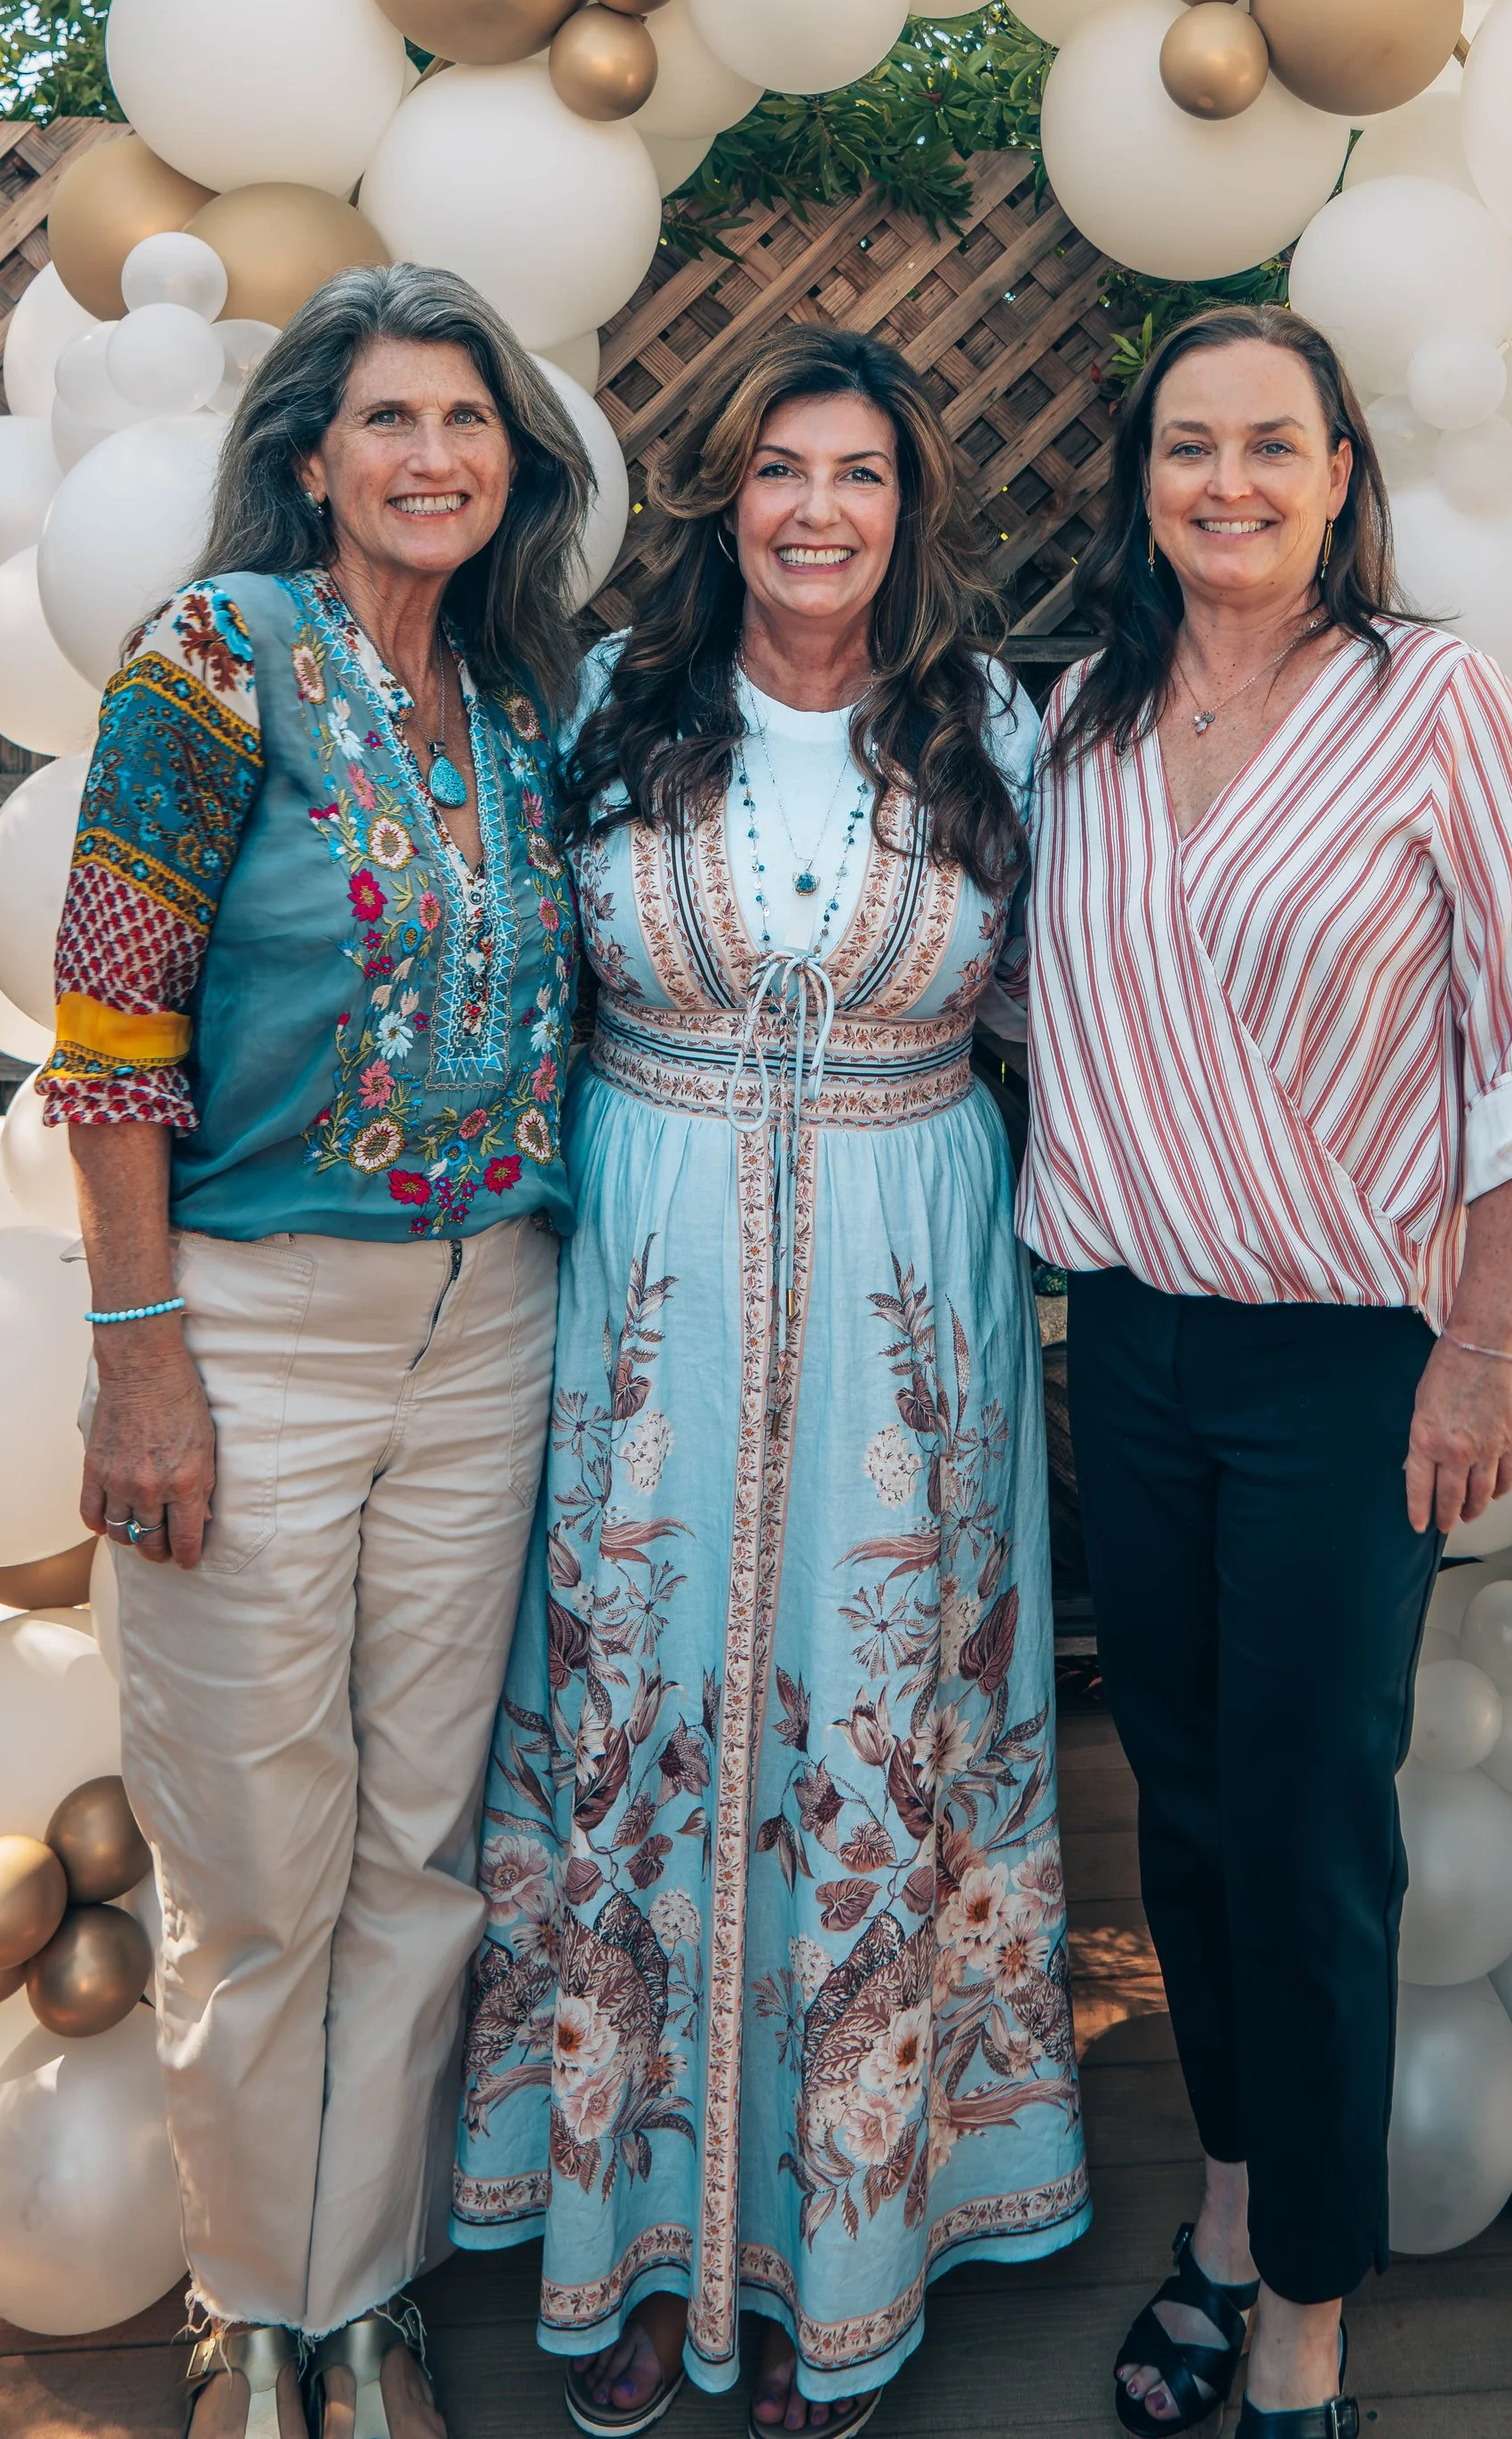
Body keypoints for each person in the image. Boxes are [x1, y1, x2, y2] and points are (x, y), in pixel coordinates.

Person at [452, 329, 1088, 2439]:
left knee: (870, 1736)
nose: (818, 510)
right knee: (647, 1721)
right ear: (728, 502)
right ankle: (638, 2247)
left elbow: (1096, 1015)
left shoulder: (993, 727)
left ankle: (845, 2258)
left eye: (862, 475)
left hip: (912, 1327)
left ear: (911, 509)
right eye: (781, 472)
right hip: (651, 1302)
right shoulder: (607, 709)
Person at [1022, 303, 1512, 2439]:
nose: (1229, 485)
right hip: (1137, 1349)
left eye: (1272, 445)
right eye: (1189, 447)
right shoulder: (1073, 717)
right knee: (1176, 1820)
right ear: (1143, 478)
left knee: (1307, 1836)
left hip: (1353, 1365)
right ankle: (1232, 2205)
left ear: (1341, 470)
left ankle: (1305, 2318)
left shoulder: (1428, 700)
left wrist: (1476, 1350)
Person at [39, 263, 593, 2439]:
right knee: (255, 1855)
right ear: (306, 454)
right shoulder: (211, 664)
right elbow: (104, 1033)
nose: (432, 457)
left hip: (490, 1330)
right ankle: (243, 2304)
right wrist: (139, 1349)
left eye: (468, 421)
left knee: (419, 1848)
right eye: (388, 421)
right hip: (246, 1325)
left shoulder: (527, 706)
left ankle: (359, 2296)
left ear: (511, 464)